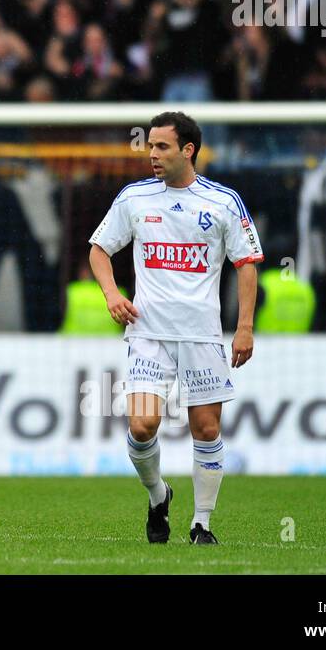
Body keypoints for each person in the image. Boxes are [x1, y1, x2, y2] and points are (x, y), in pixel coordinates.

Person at [88, 111, 262, 546]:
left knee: (206, 430)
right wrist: (112, 294)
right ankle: (157, 493)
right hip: (149, 334)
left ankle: (201, 523)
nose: (152, 154)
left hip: (202, 335)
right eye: (149, 146)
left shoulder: (223, 202)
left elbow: (246, 266)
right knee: (143, 426)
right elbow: (98, 250)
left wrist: (244, 327)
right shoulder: (134, 199)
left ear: (188, 150)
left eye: (162, 146)